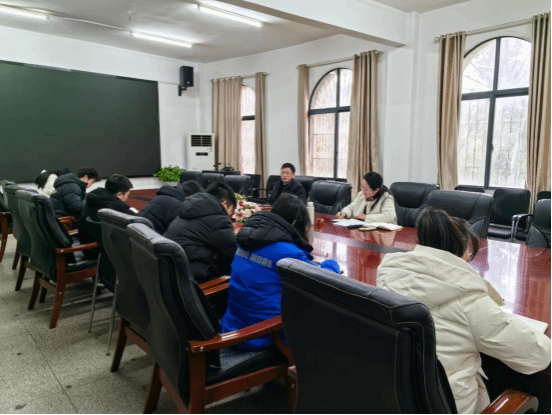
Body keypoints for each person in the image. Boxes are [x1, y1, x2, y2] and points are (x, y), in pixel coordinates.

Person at [377, 207, 551, 414]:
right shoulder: (468, 298)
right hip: (450, 405)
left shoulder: (388, 273)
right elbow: (537, 355)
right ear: (461, 250)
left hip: (397, 398)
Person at [221, 193, 340, 349]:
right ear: (295, 223)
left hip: (233, 326)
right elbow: (322, 281)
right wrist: (331, 263)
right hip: (260, 334)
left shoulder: (248, 238)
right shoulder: (287, 252)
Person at [164, 181, 238, 284]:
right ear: (225, 204)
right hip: (193, 279)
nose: (229, 215)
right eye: (231, 211)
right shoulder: (218, 218)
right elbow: (234, 251)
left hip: (172, 272)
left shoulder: (193, 207)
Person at [139, 180, 203, 234]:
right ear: (189, 197)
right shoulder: (176, 206)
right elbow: (178, 232)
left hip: (142, 234)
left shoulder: (162, 197)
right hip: (153, 238)